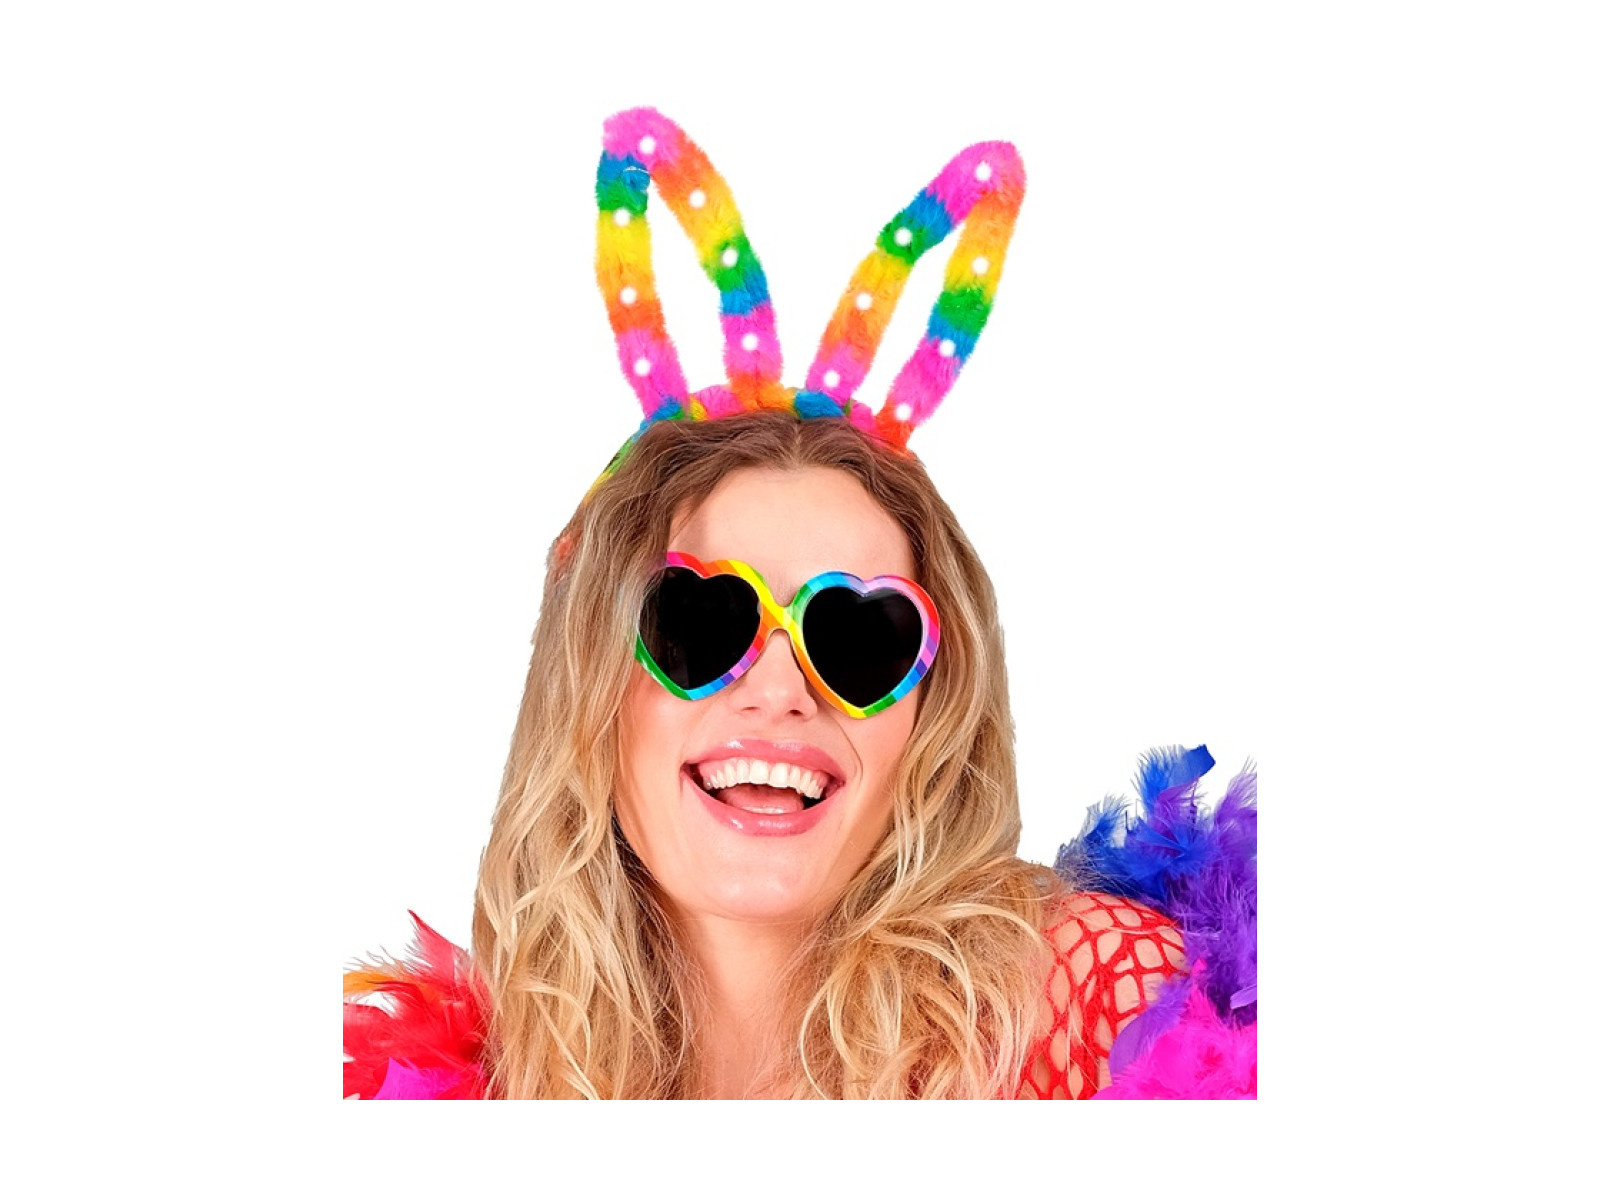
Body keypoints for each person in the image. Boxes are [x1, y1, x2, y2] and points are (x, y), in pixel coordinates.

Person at [342, 108, 1257, 1100]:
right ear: (590, 677)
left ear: (934, 714)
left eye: (859, 636)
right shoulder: (477, 1087)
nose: (780, 689)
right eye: (699, 623)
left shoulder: (1105, 1009)